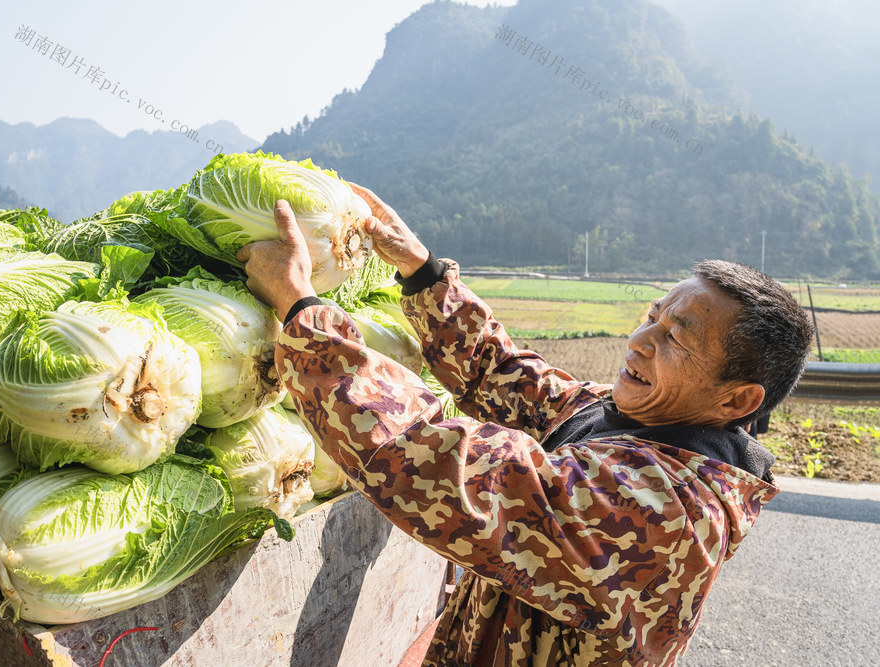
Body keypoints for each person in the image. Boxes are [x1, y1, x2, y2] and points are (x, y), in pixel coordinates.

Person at [235, 188, 814, 666]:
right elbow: (505, 374)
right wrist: (421, 270)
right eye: (651, 316)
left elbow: (439, 467)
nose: (640, 341)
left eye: (676, 338)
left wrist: (301, 313)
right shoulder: (623, 417)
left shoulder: (664, 511)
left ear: (736, 399)